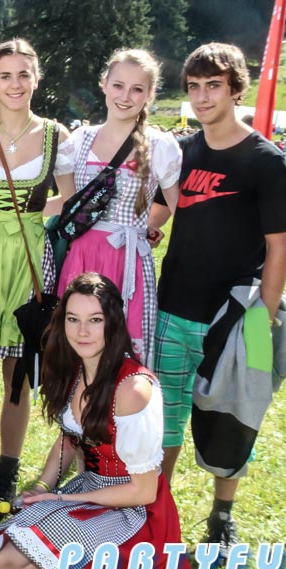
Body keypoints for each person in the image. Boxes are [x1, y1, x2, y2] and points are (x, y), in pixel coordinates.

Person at [149, 42, 286, 557]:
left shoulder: (266, 159)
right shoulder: (182, 152)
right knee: (165, 420)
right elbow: (158, 213)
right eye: (194, 87)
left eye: (213, 86)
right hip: (173, 307)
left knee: (235, 419)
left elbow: (281, 246)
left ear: (237, 90)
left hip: (243, 316)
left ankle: (222, 515)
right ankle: (157, 514)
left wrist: (265, 315)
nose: (202, 97)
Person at [0, 273, 193, 569]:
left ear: (113, 323)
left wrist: (60, 500)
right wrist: (42, 487)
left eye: (94, 320)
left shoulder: (133, 389)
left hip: (134, 512)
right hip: (91, 490)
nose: (82, 331)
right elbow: (69, 439)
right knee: (0, 545)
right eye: (73, 319)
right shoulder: (75, 368)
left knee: (9, 557)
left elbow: (143, 491)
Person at [0, 39, 76, 502]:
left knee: (19, 375)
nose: (15, 83)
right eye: (5, 75)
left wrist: (29, 216)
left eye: (24, 74)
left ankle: (8, 468)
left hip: (28, 258)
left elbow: (68, 197)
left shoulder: (55, 135)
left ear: (36, 79)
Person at [57, 48, 181, 369]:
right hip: (82, 257)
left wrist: (148, 228)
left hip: (128, 262)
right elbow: (68, 206)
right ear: (104, 84)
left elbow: (180, 211)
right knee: (77, 353)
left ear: (149, 95)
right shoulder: (79, 140)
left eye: (137, 89)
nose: (125, 96)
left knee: (122, 357)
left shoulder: (160, 146)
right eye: (118, 85)